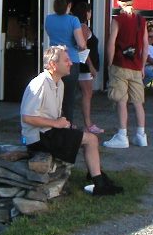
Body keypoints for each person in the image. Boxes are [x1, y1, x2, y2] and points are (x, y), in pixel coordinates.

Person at [21, 45, 123, 196]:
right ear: (53, 65)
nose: (71, 63)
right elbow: (27, 117)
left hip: (49, 132)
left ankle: (96, 176)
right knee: (91, 139)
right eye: (66, 60)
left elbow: (50, 113)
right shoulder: (40, 84)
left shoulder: (59, 83)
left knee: (86, 137)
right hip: (38, 138)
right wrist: (56, 123)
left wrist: (61, 122)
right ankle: (99, 183)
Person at [103, 0, 149, 149]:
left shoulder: (118, 20)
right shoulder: (141, 20)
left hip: (120, 64)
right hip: (136, 66)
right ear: (132, 2)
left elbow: (111, 43)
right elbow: (145, 46)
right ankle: (141, 135)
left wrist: (109, 63)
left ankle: (122, 135)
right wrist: (142, 66)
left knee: (122, 101)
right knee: (138, 102)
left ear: (119, 3)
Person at [44, 0, 86, 126]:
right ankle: (67, 126)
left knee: (52, 95)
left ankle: (51, 124)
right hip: (70, 60)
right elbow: (81, 44)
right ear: (69, 5)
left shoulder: (49, 19)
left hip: (53, 60)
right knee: (68, 97)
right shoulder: (73, 20)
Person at [72, 2, 105, 134]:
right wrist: (91, 66)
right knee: (87, 95)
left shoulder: (77, 26)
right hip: (84, 67)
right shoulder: (83, 27)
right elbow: (82, 48)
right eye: (90, 11)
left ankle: (72, 121)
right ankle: (88, 124)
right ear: (86, 13)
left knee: (79, 94)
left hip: (81, 66)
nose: (91, 13)